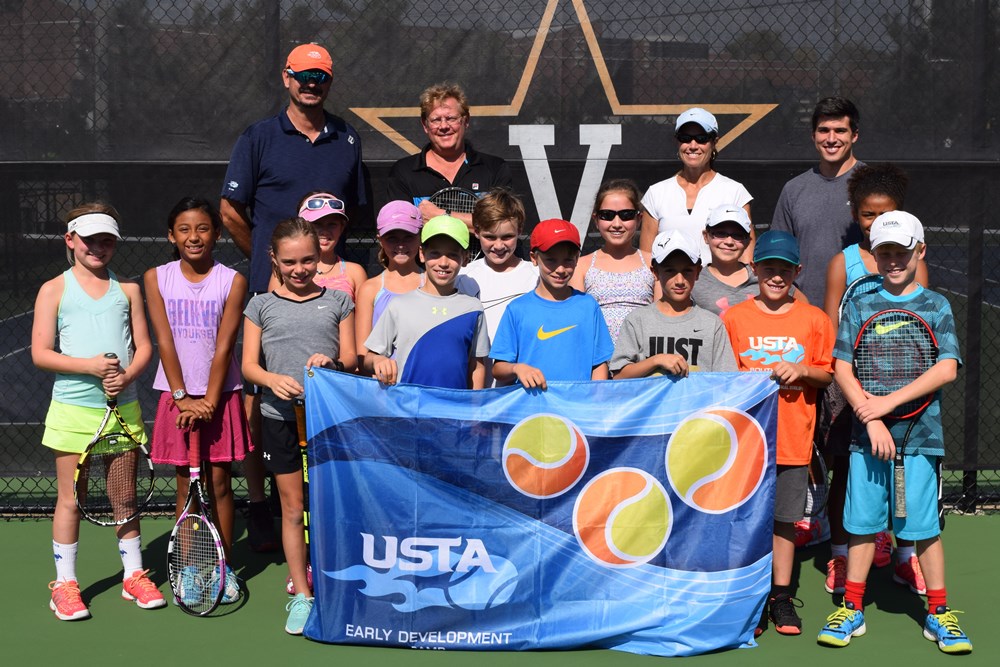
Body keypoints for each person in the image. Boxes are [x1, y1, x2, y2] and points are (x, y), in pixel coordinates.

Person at [220, 42, 366, 549]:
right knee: (260, 400)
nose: (311, 84)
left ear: (330, 82)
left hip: (327, 298)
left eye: (320, 77)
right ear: (286, 78)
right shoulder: (258, 137)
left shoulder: (348, 138)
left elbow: (352, 212)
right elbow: (230, 210)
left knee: (330, 391)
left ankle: (325, 518)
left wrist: (317, 269)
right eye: (303, 76)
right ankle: (262, 505)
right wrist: (273, 263)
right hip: (273, 299)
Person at [817, 212, 972, 654]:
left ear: (919, 251)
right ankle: (852, 608)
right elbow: (842, 367)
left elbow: (947, 368)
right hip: (867, 440)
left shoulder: (936, 306)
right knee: (862, 526)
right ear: (875, 254)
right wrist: (871, 419)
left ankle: (939, 613)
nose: (893, 260)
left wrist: (885, 405)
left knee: (923, 529)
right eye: (884, 252)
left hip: (919, 440)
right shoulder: (859, 306)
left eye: (901, 252)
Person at [31, 203, 164, 620]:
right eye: (89, 240)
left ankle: (134, 575)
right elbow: (40, 353)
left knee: (124, 497)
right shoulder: (53, 289)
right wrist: (89, 366)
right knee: (71, 499)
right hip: (73, 412)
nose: (98, 247)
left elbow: (144, 347)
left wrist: (127, 377)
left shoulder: (129, 290)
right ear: (70, 240)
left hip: (123, 409)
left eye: (107, 240)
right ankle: (64, 585)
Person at [819, 164, 930, 596]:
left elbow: (923, 325)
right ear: (855, 214)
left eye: (886, 214)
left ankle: (906, 557)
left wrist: (897, 392)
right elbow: (833, 330)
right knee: (848, 472)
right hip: (850, 391)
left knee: (904, 473)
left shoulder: (914, 263)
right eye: (868, 214)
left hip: (900, 393)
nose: (876, 222)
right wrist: (854, 390)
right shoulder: (842, 263)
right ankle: (841, 554)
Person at [241, 219, 356, 635]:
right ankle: (303, 595)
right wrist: (271, 380)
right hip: (279, 421)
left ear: (318, 256)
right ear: (274, 258)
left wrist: (332, 363)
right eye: (289, 262)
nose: (300, 269)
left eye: (307, 260)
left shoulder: (339, 301)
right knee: (292, 509)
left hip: (329, 422)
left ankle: (333, 581)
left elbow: (352, 359)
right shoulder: (260, 306)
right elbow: (249, 365)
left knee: (329, 507)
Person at [721, 231, 835, 637]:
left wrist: (801, 370)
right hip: (746, 443)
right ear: (755, 269)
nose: (775, 276)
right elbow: (723, 377)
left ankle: (780, 597)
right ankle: (749, 599)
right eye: (768, 267)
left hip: (792, 440)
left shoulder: (814, 319)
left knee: (785, 522)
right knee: (746, 522)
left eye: (784, 269)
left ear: (797, 272)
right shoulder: (733, 319)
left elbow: (826, 374)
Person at [143, 197, 250, 605]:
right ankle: (188, 569)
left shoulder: (232, 280)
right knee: (186, 486)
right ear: (171, 236)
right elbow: (164, 339)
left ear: (217, 234)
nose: (194, 237)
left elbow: (225, 346)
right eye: (184, 229)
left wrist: (209, 399)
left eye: (203, 228)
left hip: (221, 397)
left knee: (220, 483)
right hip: (178, 399)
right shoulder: (156, 278)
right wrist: (183, 397)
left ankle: (224, 567)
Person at [365, 216, 491, 389]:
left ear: (465, 257)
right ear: (422, 254)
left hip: (453, 405)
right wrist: (378, 360)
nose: (443, 263)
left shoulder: (473, 308)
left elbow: (476, 365)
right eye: (435, 254)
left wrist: (474, 404)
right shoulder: (399, 305)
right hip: (407, 404)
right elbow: (369, 357)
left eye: (453, 255)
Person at [491, 219, 613, 388]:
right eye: (551, 260)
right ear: (534, 258)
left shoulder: (588, 305)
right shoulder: (517, 309)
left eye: (568, 260)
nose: (560, 269)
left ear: (577, 258)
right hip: (531, 404)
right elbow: (498, 368)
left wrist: (595, 398)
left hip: (577, 403)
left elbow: (599, 363)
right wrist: (516, 368)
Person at [770, 96, 864, 305]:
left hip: (860, 310)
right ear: (813, 136)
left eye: (840, 130)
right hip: (804, 309)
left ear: (854, 135)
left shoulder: (872, 185)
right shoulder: (793, 189)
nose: (831, 139)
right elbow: (778, 254)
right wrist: (797, 297)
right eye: (823, 130)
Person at [386, 82, 513, 232]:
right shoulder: (403, 172)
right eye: (436, 120)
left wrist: (440, 215)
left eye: (451, 118)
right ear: (425, 125)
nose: (444, 126)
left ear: (465, 121)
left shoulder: (495, 168)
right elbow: (402, 231)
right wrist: (476, 222)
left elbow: (502, 226)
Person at [611, 230, 736, 378]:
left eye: (687, 271)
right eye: (670, 271)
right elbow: (619, 376)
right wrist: (656, 360)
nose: (679, 281)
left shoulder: (712, 324)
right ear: (655, 272)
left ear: (698, 272)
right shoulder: (637, 320)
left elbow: (727, 380)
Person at [639, 107, 754, 264]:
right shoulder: (656, 193)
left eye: (701, 138)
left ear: (714, 142)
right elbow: (647, 258)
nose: (693, 145)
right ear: (677, 141)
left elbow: (746, 257)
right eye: (685, 138)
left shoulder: (735, 192)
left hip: (721, 281)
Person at [459, 188, 538, 385]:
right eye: (490, 237)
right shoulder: (464, 277)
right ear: (476, 232)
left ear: (520, 230)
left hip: (522, 390)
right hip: (477, 388)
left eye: (507, 237)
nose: (499, 245)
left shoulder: (536, 276)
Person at [570, 178, 655, 342]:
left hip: (644, 354)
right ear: (596, 219)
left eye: (626, 215)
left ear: (639, 219)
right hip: (598, 354)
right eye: (607, 215)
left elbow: (662, 317)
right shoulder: (581, 266)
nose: (617, 224)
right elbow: (578, 321)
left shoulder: (653, 263)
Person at [355, 201, 425, 372]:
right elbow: (363, 357)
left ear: (420, 237)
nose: (400, 245)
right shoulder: (370, 289)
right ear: (380, 240)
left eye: (408, 236)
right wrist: (378, 362)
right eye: (392, 238)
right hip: (383, 385)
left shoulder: (432, 283)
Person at [268, 193, 367, 298]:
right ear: (301, 227)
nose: (325, 231)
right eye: (317, 224)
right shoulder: (284, 272)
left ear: (342, 228)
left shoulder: (355, 272)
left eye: (332, 224)